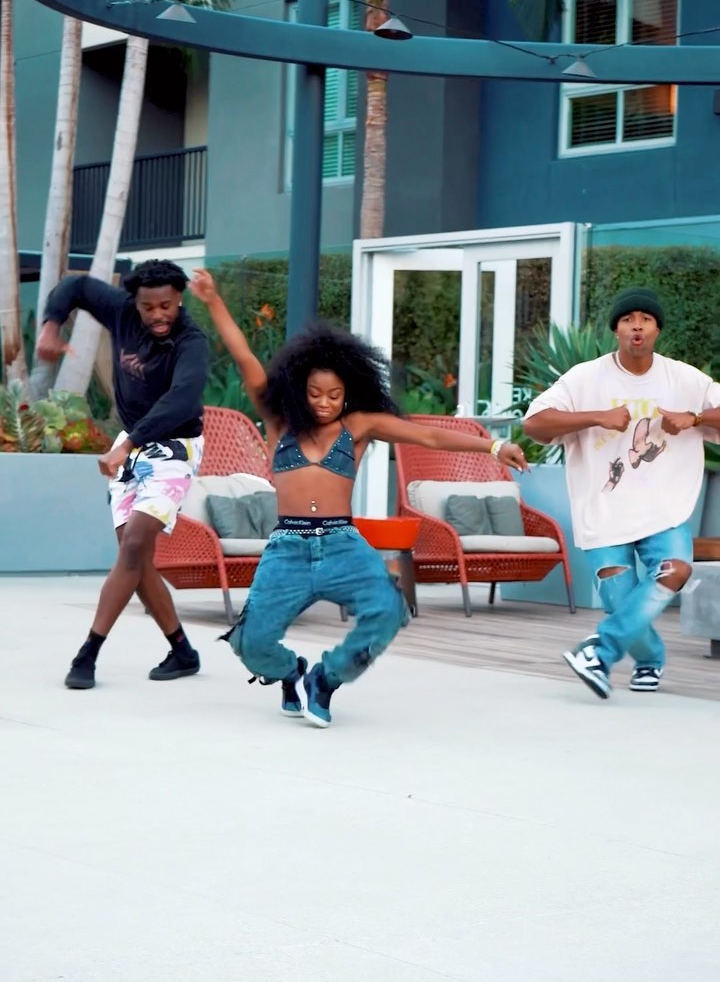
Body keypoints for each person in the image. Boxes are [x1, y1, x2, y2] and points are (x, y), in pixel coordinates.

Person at [190, 268, 529, 727]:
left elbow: (428, 436)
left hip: (342, 546)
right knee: (252, 643)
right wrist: (213, 300)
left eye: (334, 394)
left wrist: (493, 447)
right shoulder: (280, 423)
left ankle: (325, 679)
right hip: (287, 549)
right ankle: (292, 673)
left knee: (387, 610)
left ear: (348, 392)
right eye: (315, 393)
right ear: (299, 389)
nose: (324, 402)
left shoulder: (359, 426)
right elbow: (244, 355)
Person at [523, 287, 720, 699]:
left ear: (657, 330)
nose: (637, 326)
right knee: (620, 600)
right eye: (628, 319)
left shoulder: (685, 379)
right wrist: (598, 416)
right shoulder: (584, 377)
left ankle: (599, 651)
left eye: (645, 319)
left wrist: (695, 417)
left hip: (664, 510)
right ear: (616, 329)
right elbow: (534, 424)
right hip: (604, 512)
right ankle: (649, 661)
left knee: (675, 570)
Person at [36, 259, 210, 690]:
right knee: (135, 559)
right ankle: (182, 651)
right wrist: (51, 327)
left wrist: (127, 445)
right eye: (148, 307)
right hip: (131, 447)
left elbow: (182, 399)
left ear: (179, 299)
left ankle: (88, 654)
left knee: (133, 545)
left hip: (174, 448)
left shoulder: (190, 341)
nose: (158, 315)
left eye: (166, 306)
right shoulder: (120, 310)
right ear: (136, 302)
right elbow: (76, 286)